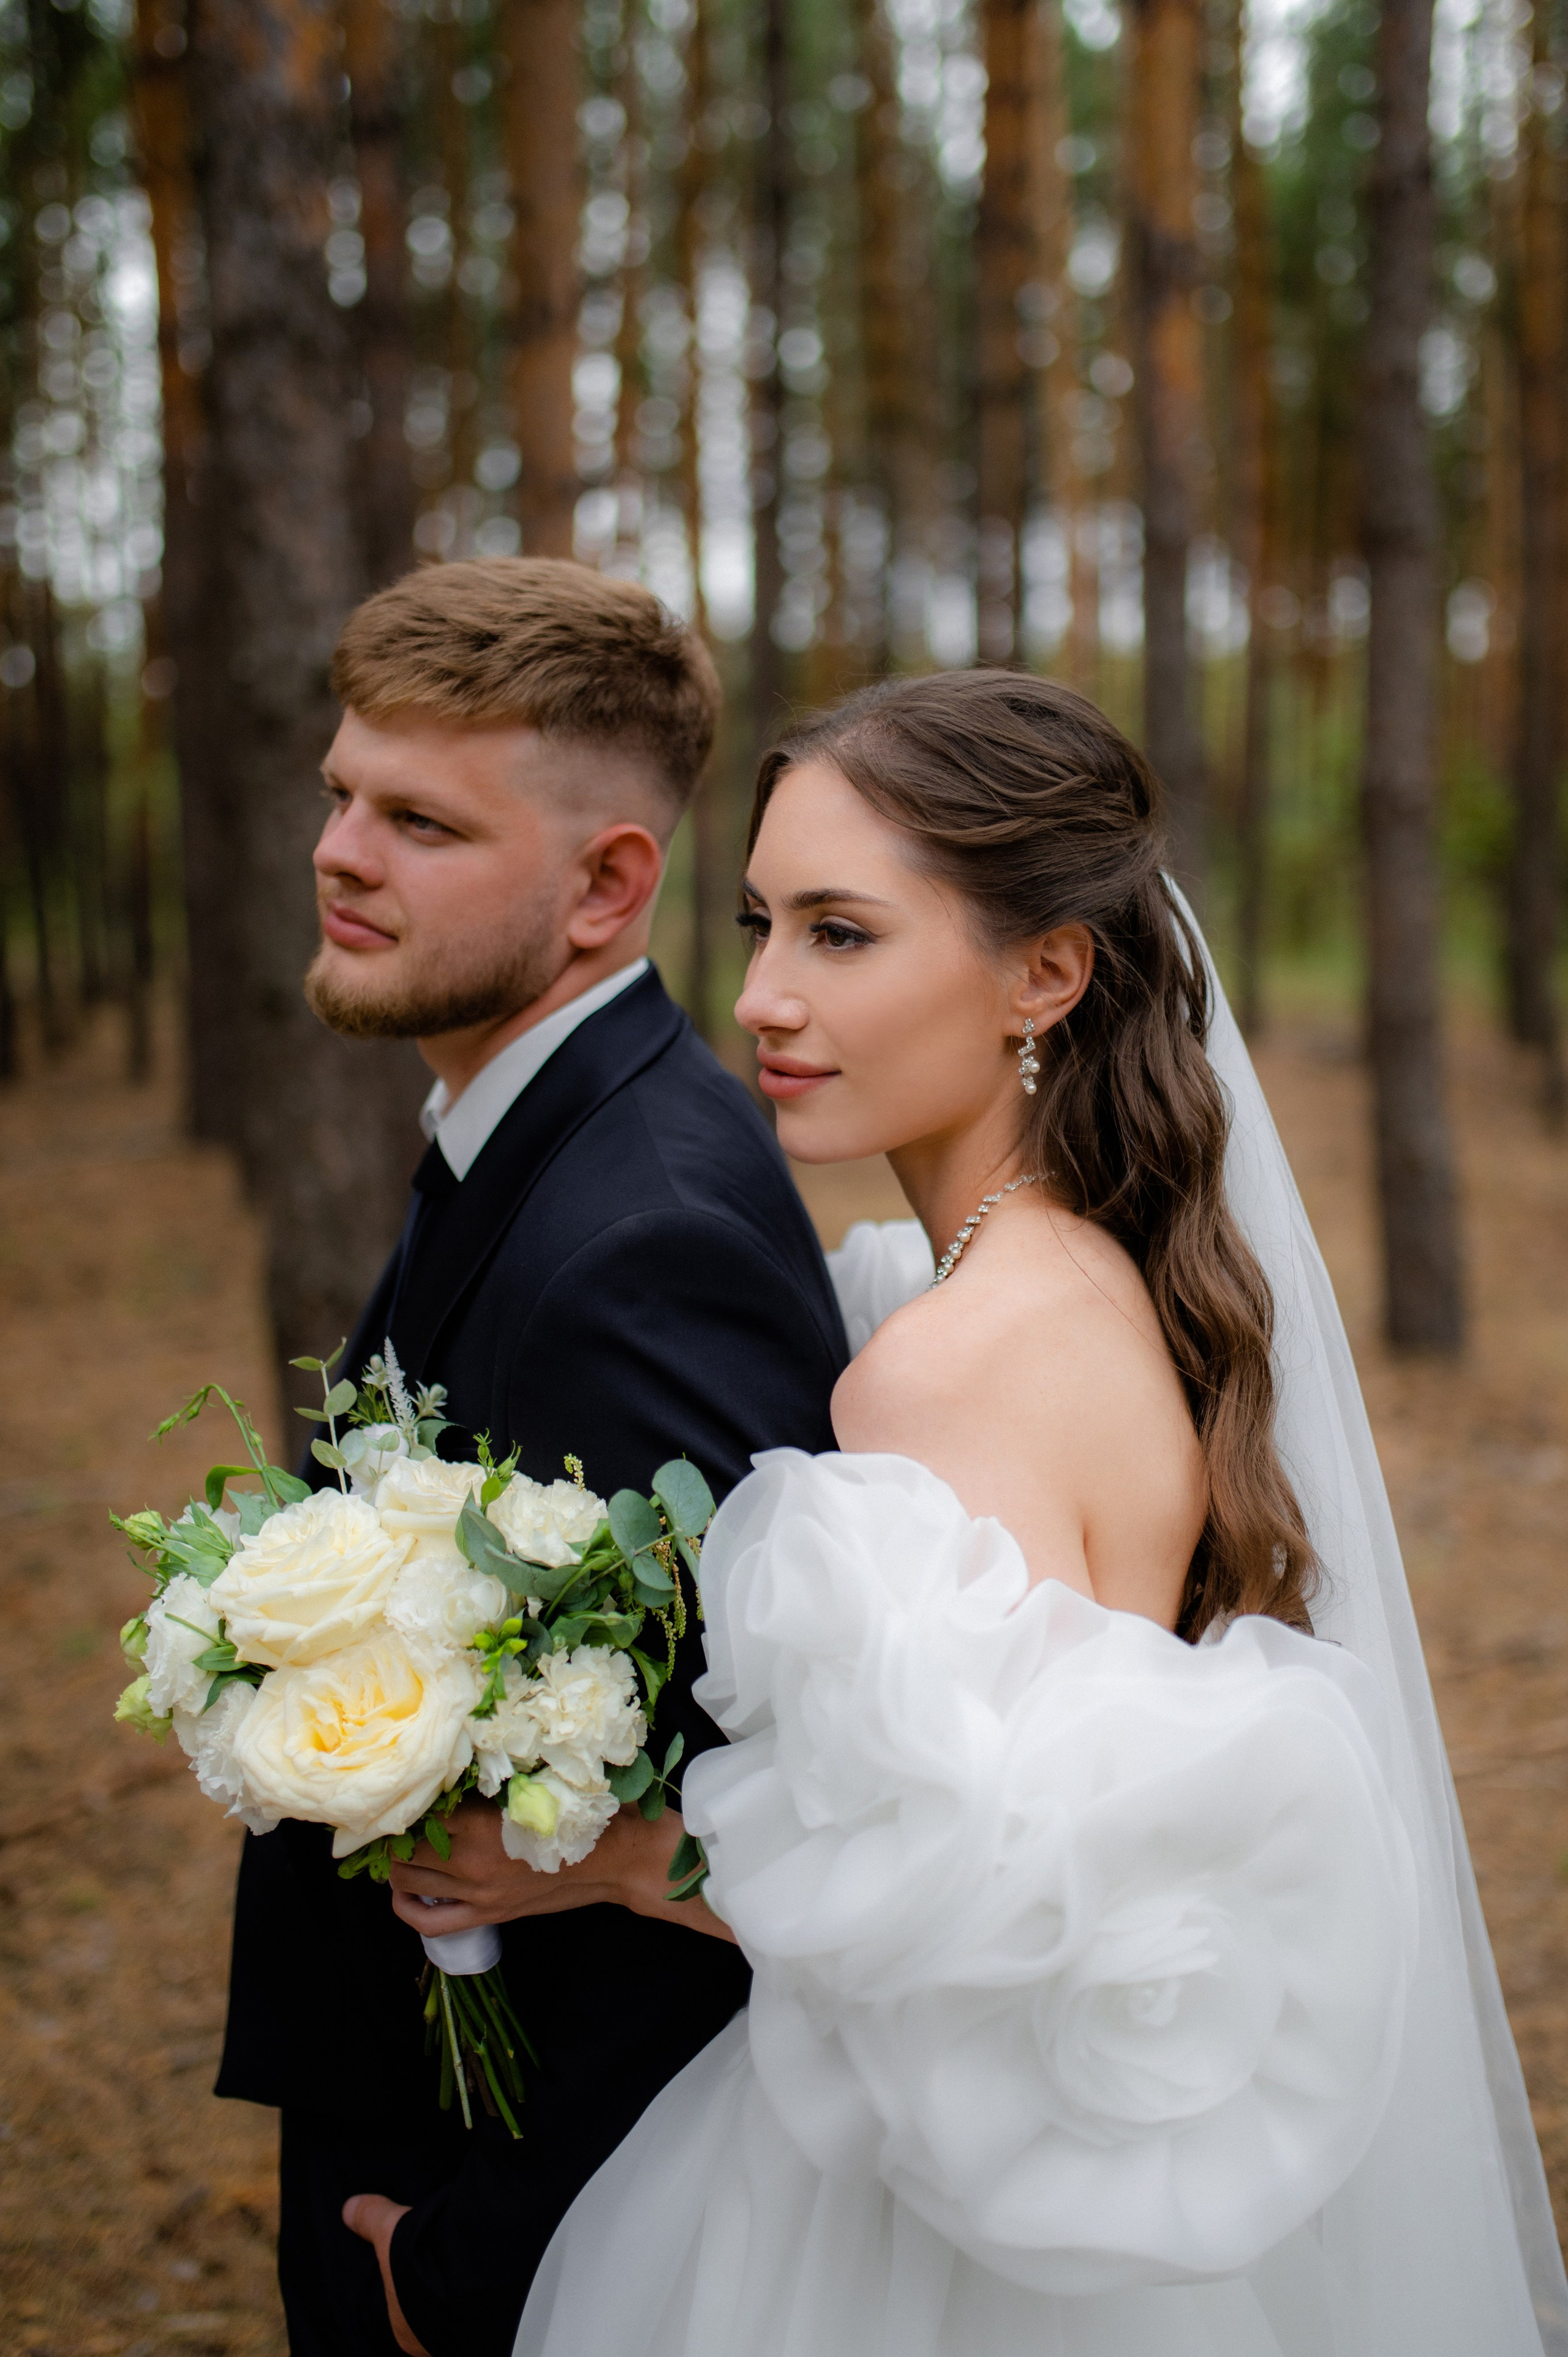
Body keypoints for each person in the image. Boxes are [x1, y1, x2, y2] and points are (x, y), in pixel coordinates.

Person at [502, 669, 1568, 2357]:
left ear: (1044, 974)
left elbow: (982, 1906)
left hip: (920, 2243)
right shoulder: (1088, 1272)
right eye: (761, 923)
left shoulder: (953, 1362)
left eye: (842, 936)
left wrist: (600, 1858)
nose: (763, 998)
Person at [211, 558, 848, 2357]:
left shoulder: (644, 1235)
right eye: (342, 793)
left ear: (606, 887)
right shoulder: (540, 1129)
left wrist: (475, 2268)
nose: (340, 852)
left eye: (420, 820)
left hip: (501, 2225)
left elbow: (721, 1797)